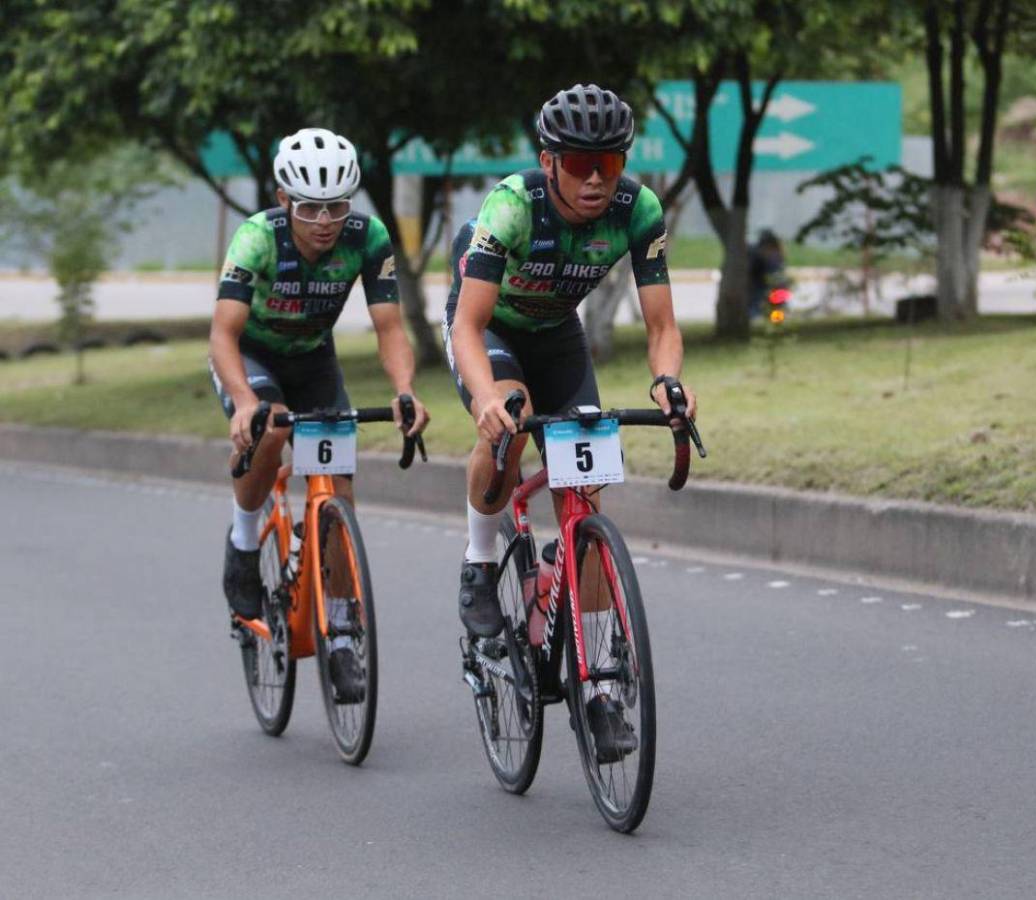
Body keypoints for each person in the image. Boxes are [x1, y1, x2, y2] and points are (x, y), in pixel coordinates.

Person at [443, 84, 697, 758]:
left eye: (608, 165)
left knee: (583, 500)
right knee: (509, 425)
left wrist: (669, 381)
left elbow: (663, 323)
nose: (594, 179)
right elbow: (467, 326)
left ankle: (599, 692)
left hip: (557, 335)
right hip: (491, 328)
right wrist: (488, 399)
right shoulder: (510, 207)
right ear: (547, 160)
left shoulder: (637, 210)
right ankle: (480, 559)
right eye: (579, 162)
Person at [208, 127, 429, 700]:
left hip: (312, 359)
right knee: (273, 428)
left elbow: (388, 327)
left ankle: (339, 634)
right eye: (310, 208)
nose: (325, 221)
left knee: (337, 494)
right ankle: (244, 540)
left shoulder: (368, 237)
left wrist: (404, 388)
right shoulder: (256, 239)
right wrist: (246, 402)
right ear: (284, 201)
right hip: (251, 357)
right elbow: (223, 336)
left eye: (337, 206)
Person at [748, 228, 786, 319]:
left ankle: (775, 318)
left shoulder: (774, 255)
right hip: (758, 290)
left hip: (766, 290)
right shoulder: (755, 253)